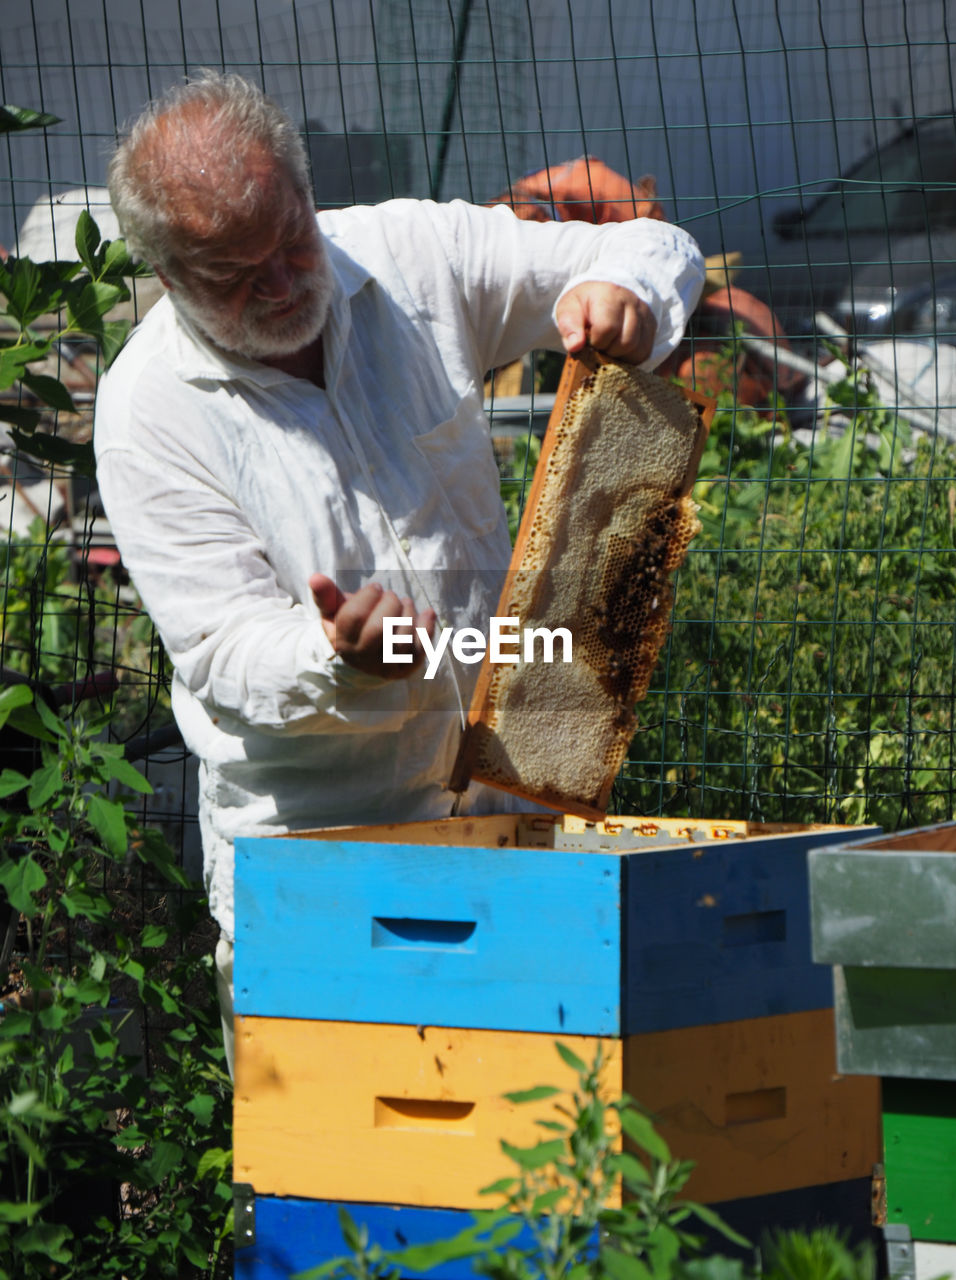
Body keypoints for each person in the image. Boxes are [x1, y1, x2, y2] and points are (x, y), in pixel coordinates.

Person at [94, 73, 705, 1068]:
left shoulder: (408, 252)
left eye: (290, 243)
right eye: (236, 275)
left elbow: (645, 243)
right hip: (322, 852)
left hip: (520, 796)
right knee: (346, 1178)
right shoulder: (146, 412)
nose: (283, 282)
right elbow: (220, 649)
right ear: (167, 275)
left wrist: (625, 296)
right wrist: (336, 655)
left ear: (305, 194)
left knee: (538, 1155)